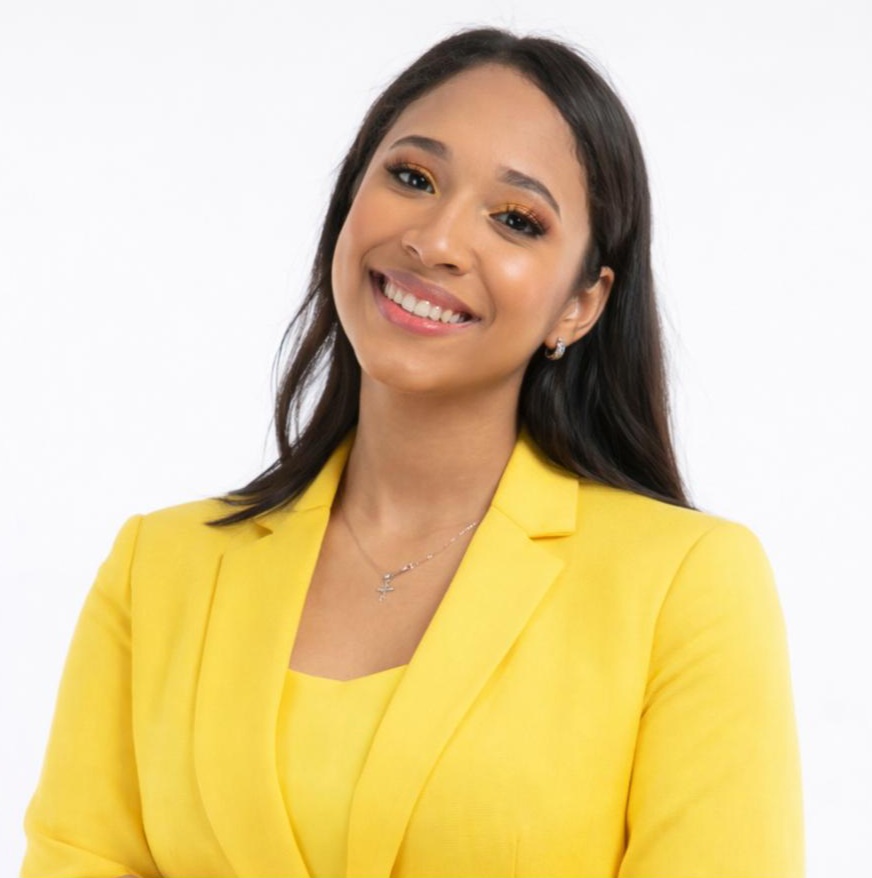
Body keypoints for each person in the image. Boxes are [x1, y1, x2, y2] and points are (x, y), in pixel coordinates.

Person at [21, 27, 803, 878]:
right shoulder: (158, 570)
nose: (436, 241)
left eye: (516, 220)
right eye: (413, 178)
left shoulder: (685, 584)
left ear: (580, 304)